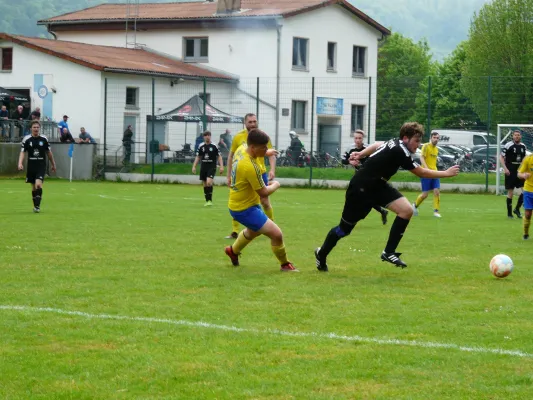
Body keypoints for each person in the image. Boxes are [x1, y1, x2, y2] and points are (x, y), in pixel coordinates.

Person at [314, 122, 459, 271]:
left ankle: (388, 252)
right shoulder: (400, 150)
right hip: (360, 187)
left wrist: (361, 154)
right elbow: (421, 172)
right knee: (344, 229)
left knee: (407, 211)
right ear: (405, 138)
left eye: (419, 140)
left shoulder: (395, 143)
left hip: (378, 186)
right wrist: (446, 173)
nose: (418, 144)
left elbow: (377, 144)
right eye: (416, 140)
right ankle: (321, 253)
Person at [224, 128, 297, 272]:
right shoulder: (250, 167)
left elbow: (252, 153)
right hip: (244, 209)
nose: (266, 149)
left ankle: (232, 251)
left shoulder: (242, 148)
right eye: (263, 147)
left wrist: (265, 152)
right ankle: (285, 265)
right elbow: (263, 192)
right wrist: (276, 185)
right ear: (253, 147)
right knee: (277, 234)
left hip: (242, 203)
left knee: (253, 231)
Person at [225, 113, 277, 239]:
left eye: (255, 121)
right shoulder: (238, 137)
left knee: (264, 201)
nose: (253, 124)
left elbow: (269, 152)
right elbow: (231, 156)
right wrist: (229, 175)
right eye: (250, 122)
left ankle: (270, 225)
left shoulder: (262, 136)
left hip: (260, 172)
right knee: (240, 199)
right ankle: (235, 231)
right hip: (242, 174)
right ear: (245, 123)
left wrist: (272, 169)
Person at [341, 129, 389, 225]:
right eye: (356, 138)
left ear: (363, 139)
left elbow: (375, 160)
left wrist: (361, 163)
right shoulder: (350, 149)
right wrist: (350, 162)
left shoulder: (368, 148)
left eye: (359, 138)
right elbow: (343, 160)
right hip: (358, 177)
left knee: (362, 197)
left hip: (370, 176)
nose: (357, 140)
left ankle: (353, 217)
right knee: (364, 197)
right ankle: (381, 211)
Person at [18, 121, 57, 213]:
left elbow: (49, 153)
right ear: (31, 128)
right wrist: (20, 163)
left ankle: (37, 206)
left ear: (39, 128)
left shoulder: (44, 139)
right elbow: (23, 152)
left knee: (38, 185)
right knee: (33, 188)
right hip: (31, 166)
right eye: (34, 127)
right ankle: (35, 206)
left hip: (41, 165)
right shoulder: (26, 139)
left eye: (37, 127)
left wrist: (53, 164)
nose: (36, 129)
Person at [413, 131, 442, 218]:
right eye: (434, 137)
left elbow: (433, 162)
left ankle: (436, 211)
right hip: (426, 173)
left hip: (435, 173)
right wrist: (426, 169)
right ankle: (415, 205)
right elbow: (422, 157)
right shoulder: (426, 146)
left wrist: (434, 170)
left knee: (436, 191)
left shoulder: (436, 149)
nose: (436, 139)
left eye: (437, 138)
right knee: (425, 194)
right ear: (431, 138)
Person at [192, 131, 224, 206]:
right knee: (205, 184)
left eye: (208, 135)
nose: (207, 137)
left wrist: (221, 166)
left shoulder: (214, 145)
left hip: (212, 166)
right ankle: (207, 201)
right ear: (204, 137)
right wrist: (194, 166)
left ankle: (210, 200)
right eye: (206, 135)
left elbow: (219, 156)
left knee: (209, 182)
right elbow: (198, 157)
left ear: (210, 136)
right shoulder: (201, 146)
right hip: (203, 166)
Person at [501, 130, 527, 219]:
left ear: (520, 136)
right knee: (510, 192)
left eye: (518, 135)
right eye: (515, 135)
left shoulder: (523, 146)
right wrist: (505, 168)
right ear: (513, 136)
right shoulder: (508, 145)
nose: (517, 136)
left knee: (526, 191)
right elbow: (501, 157)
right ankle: (509, 214)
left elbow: (524, 159)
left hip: (520, 171)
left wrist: (524, 170)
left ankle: (517, 209)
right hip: (510, 171)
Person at [518, 154, 533, 240]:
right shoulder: (528, 159)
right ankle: (526, 233)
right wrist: (523, 175)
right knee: (528, 214)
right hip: (528, 190)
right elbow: (519, 174)